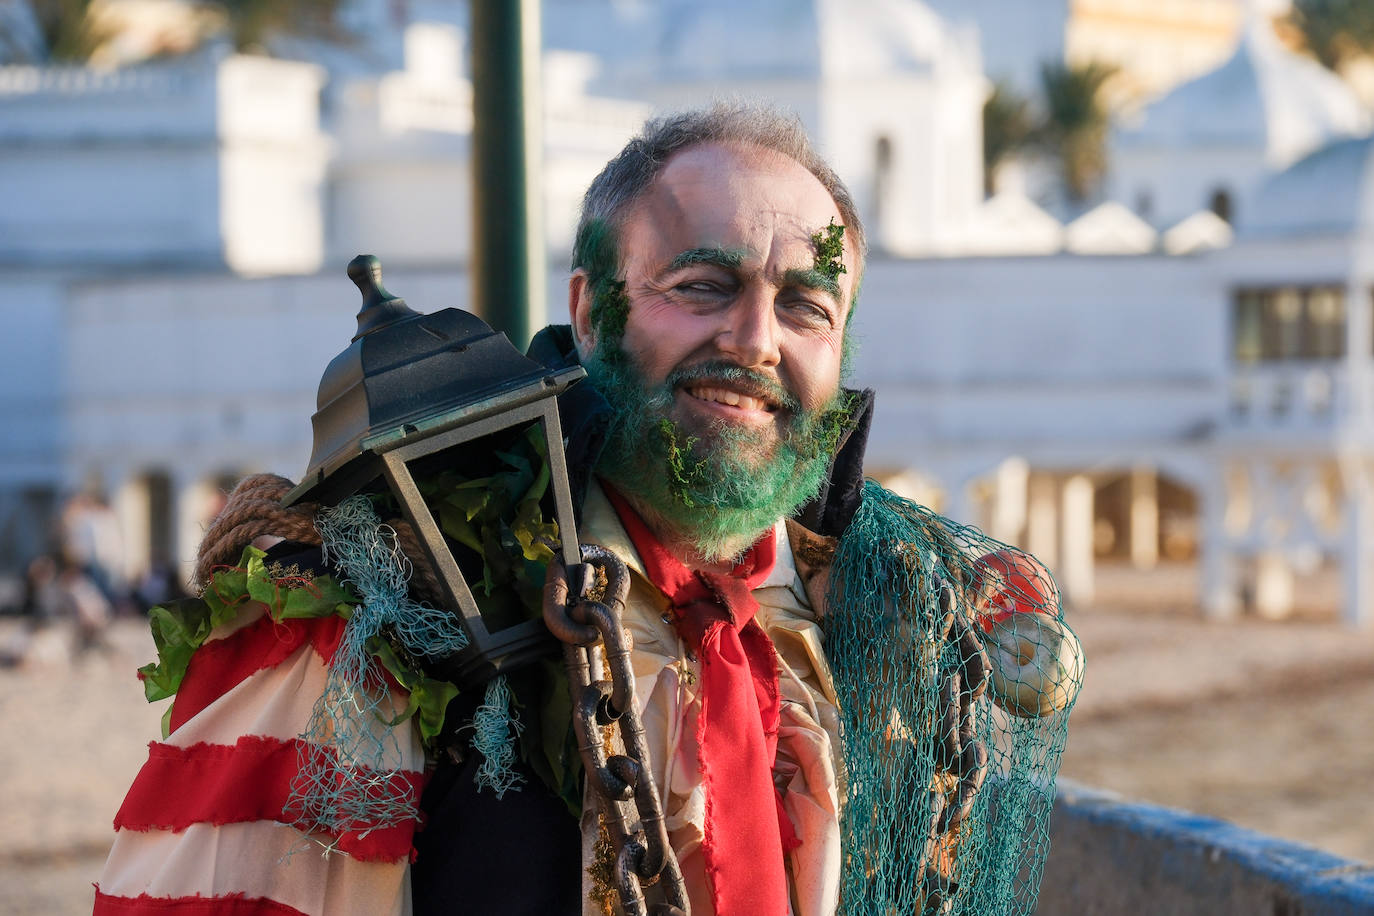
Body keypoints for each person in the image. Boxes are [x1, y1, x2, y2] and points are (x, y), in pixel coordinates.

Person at [96, 104, 1079, 916]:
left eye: (806, 306)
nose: (754, 339)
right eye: (701, 286)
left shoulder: (887, 629)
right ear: (590, 308)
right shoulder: (378, 618)